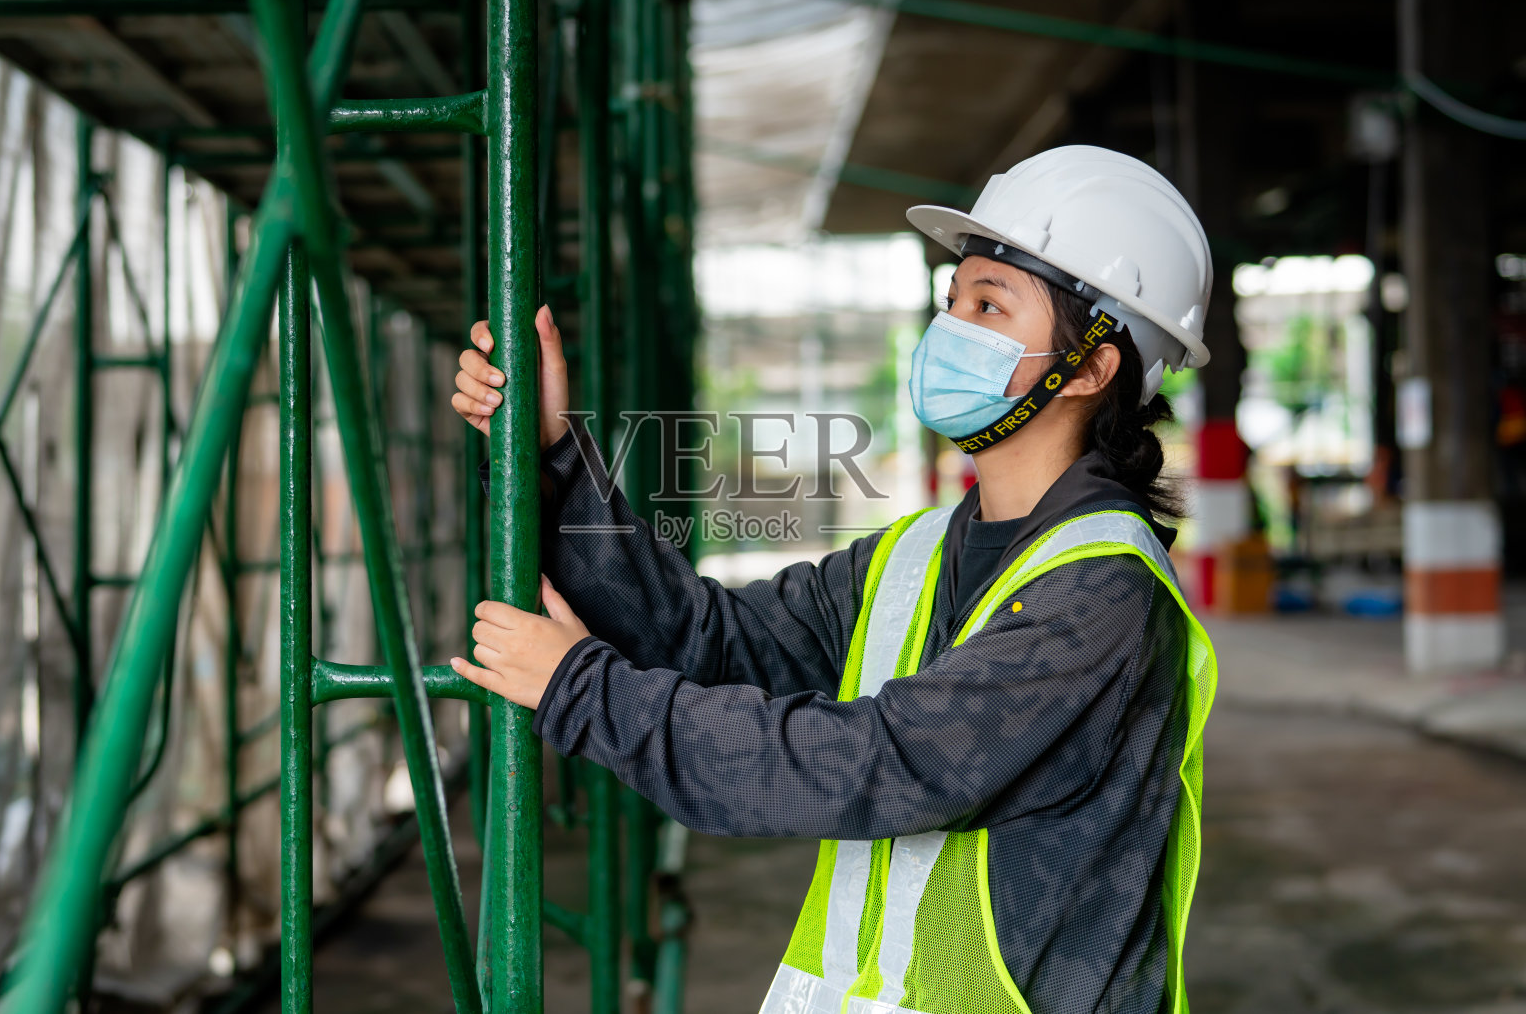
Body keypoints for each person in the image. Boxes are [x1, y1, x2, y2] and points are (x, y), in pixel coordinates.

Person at [449, 146, 1218, 1014]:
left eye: (990, 306)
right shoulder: (919, 554)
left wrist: (580, 690)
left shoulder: (1101, 594)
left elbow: (872, 763)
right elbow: (710, 640)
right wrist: (556, 456)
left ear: (1087, 367)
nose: (950, 328)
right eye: (953, 299)